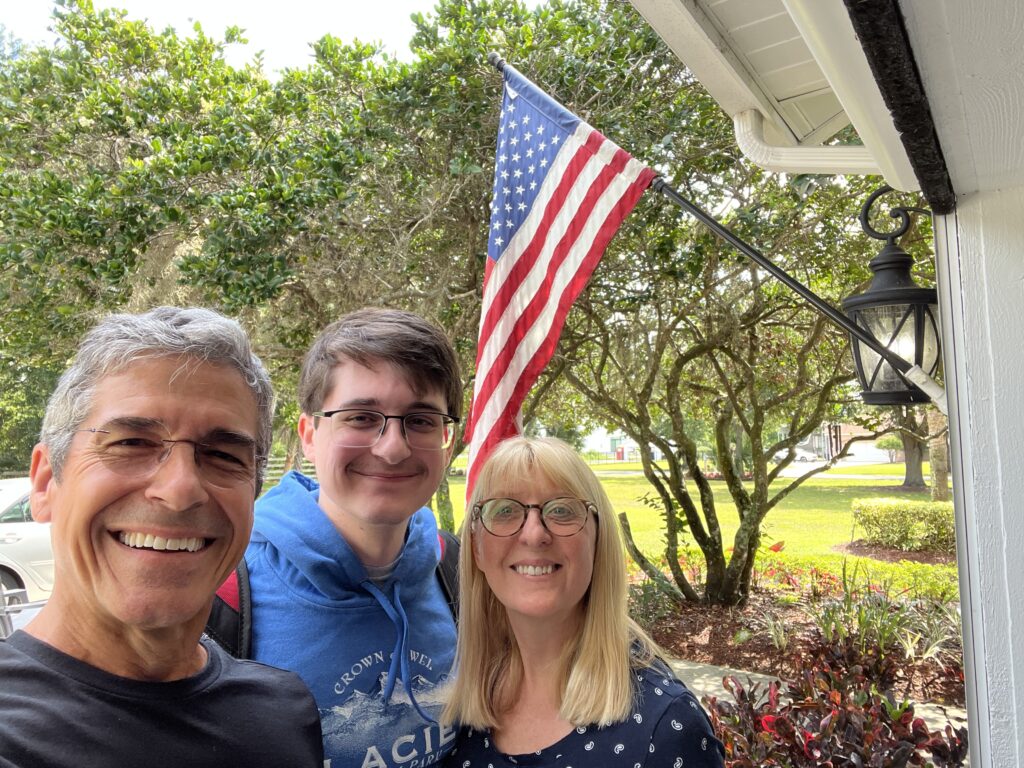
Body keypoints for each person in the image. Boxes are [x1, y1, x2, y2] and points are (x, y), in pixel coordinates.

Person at [0, 306, 323, 768]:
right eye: (131, 443)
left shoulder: (283, 712)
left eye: (223, 455)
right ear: (46, 482)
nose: (180, 490)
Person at [239, 308, 463, 767]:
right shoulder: (226, 590)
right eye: (361, 417)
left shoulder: (455, 570)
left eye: (420, 421)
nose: (392, 446)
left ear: (448, 439)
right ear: (309, 434)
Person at [442, 436, 725, 768]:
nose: (534, 534)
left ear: (597, 540)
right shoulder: (463, 697)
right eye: (504, 511)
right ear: (476, 548)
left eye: (561, 510)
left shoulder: (665, 730)